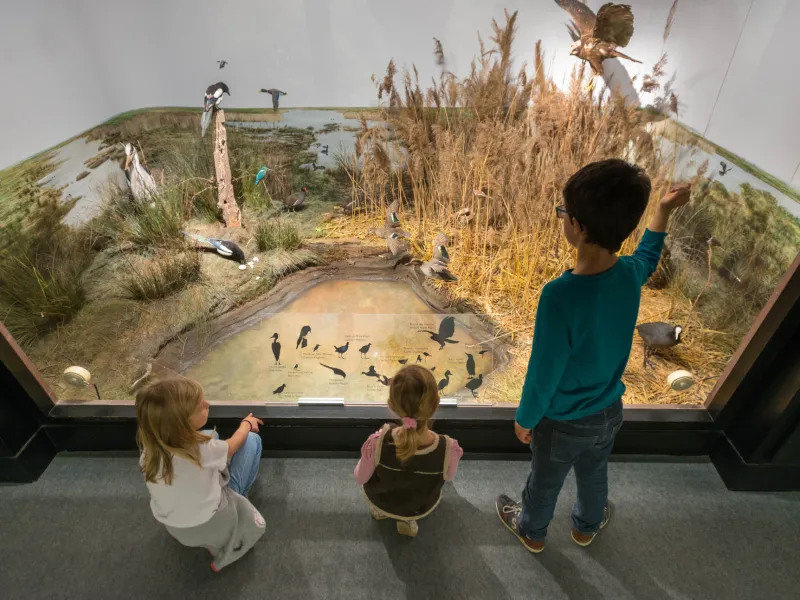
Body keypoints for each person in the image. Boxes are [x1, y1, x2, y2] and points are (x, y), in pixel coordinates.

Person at [496, 159, 691, 553]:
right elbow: (648, 255)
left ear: (579, 226)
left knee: (545, 480)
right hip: (609, 412)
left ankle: (531, 530)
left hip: (561, 422)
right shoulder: (629, 274)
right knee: (594, 473)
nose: (561, 218)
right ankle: (586, 526)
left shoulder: (560, 295)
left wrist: (525, 418)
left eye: (563, 212)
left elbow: (543, 371)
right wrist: (663, 210)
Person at [135, 377, 266, 571]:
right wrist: (246, 424)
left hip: (177, 529)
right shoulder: (202, 449)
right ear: (181, 421)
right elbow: (232, 447)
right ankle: (233, 524)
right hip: (216, 524)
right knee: (252, 440)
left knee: (209, 433)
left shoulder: (149, 452)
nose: (208, 404)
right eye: (200, 406)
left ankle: (204, 534)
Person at [354, 365, 464, 537]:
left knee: (382, 501)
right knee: (411, 502)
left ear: (391, 405)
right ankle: (407, 521)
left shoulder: (377, 442)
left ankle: (382, 512)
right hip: (418, 505)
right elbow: (448, 477)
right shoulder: (449, 448)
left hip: (382, 499)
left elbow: (360, 477)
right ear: (436, 404)